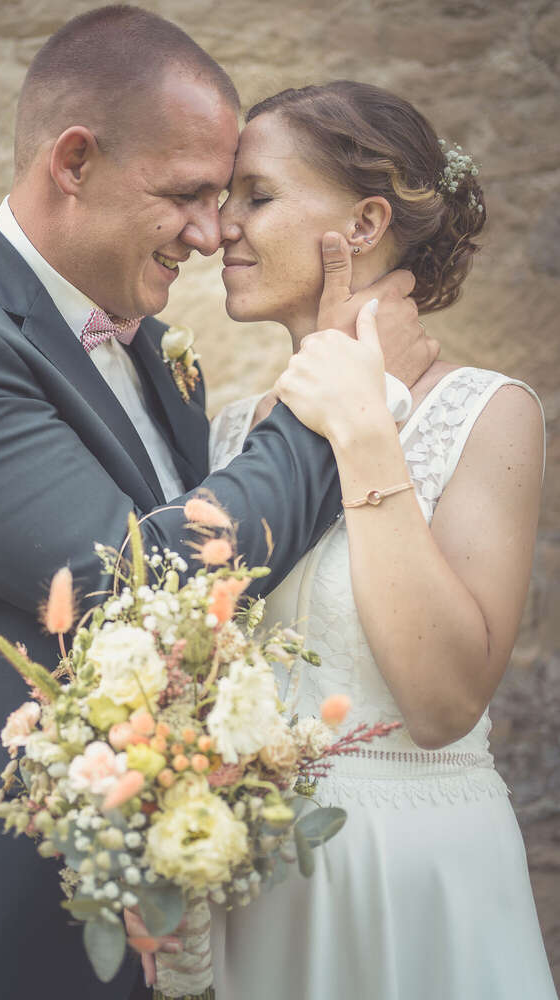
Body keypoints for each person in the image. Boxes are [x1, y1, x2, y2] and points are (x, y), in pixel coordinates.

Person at [0, 10, 433, 1000]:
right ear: (74, 162)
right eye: (185, 195)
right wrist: (346, 398)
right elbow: (134, 577)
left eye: (225, 199)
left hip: (146, 906)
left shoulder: (155, 350)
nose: (212, 233)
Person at [208, 81, 556, 998]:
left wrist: (365, 421)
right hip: (252, 890)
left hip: (412, 883)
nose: (221, 226)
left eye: (257, 195)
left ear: (365, 223)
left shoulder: (489, 414)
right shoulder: (227, 437)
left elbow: (443, 703)